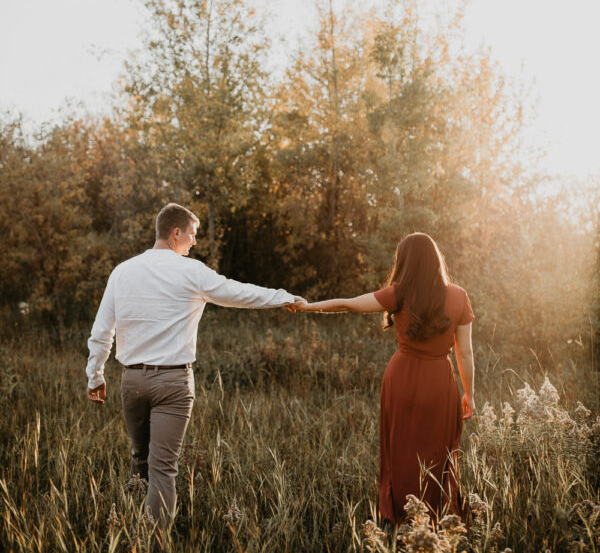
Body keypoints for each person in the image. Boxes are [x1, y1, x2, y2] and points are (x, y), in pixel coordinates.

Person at [86, 202, 306, 528]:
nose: (194, 241)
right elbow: (237, 292)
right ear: (176, 232)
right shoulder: (191, 271)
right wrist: (283, 297)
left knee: (140, 457)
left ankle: (131, 525)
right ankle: (153, 552)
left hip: (132, 382)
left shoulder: (123, 271)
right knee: (163, 470)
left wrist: (95, 375)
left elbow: (103, 330)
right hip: (173, 385)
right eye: (192, 234)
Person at [298, 231, 475, 525]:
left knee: (401, 453)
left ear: (404, 261)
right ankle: (438, 519)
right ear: (436, 260)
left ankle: (401, 518)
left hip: (402, 380)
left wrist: (309, 306)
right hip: (440, 384)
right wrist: (469, 393)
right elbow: (465, 353)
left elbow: (349, 304)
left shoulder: (399, 293)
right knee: (439, 454)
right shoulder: (458, 296)